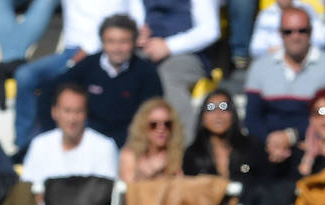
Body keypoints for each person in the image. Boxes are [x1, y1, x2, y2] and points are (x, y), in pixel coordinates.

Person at [12, 0, 144, 158]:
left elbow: (134, 13)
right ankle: (26, 146)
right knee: (27, 76)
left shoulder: (143, 69)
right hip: (73, 51)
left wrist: (91, 48)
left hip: (109, 48)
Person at [182, 88, 274, 205]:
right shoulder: (192, 154)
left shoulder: (252, 147)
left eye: (224, 107)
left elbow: (265, 185)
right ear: (202, 116)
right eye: (211, 108)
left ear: (233, 113)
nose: (218, 114)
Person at [22, 82, 119, 205]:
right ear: (55, 112)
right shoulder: (40, 145)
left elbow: (101, 200)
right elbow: (29, 194)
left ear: (86, 113)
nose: (72, 119)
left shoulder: (104, 146)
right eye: (67, 111)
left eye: (78, 111)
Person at [246, 6, 325, 166]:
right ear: (280, 33)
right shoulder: (260, 67)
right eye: (289, 31)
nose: (295, 36)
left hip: (316, 148)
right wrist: (272, 142)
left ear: (311, 32)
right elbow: (252, 118)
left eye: (302, 31)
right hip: (268, 147)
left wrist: (292, 136)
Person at [54, 13, 163, 149]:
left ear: (134, 42)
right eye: (111, 41)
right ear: (102, 42)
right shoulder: (87, 66)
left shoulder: (147, 73)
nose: (117, 48)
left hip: (128, 146)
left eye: (123, 41)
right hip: (85, 142)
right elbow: (52, 92)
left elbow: (152, 117)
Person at [135, 0, 220, 132]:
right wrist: (135, 33)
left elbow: (210, 30)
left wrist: (169, 46)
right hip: (145, 50)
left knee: (168, 77)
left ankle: (183, 146)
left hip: (186, 53)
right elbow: (132, 16)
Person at [119, 97, 185, 184]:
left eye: (167, 124)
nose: (161, 129)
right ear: (143, 127)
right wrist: (151, 169)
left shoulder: (176, 155)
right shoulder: (130, 155)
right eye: (154, 125)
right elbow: (128, 189)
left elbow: (181, 188)